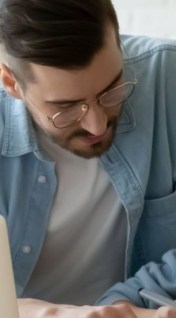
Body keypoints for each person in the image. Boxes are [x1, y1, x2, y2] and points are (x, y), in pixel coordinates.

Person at [0, 0, 176, 317]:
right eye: (66, 107)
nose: (97, 124)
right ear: (12, 83)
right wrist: (55, 314)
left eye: (112, 89)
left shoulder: (168, 78)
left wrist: (125, 304)